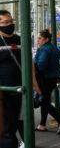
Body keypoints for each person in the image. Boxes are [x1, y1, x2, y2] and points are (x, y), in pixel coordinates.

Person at [34, 29, 60, 134]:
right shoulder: (54, 48)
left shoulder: (44, 49)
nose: (38, 40)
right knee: (45, 100)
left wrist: (33, 67)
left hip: (44, 78)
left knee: (43, 102)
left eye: (40, 38)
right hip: (52, 78)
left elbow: (41, 65)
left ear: (46, 39)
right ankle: (42, 124)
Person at [0, 10, 22, 148]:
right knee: (6, 125)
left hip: (20, 88)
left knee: (16, 120)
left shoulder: (19, 39)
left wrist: (34, 84)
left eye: (11, 21)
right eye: (5, 22)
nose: (10, 24)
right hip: (2, 90)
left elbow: (29, 63)